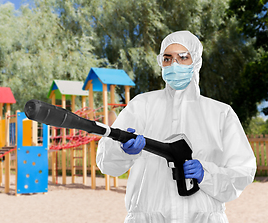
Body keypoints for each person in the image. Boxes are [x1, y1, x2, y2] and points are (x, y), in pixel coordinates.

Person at [96, 30, 257, 222]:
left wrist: (207, 174)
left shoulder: (220, 113)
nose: (174, 64)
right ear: (161, 63)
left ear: (195, 61)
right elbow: (106, 163)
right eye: (167, 58)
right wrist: (122, 151)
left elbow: (243, 171)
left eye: (183, 57)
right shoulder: (142, 106)